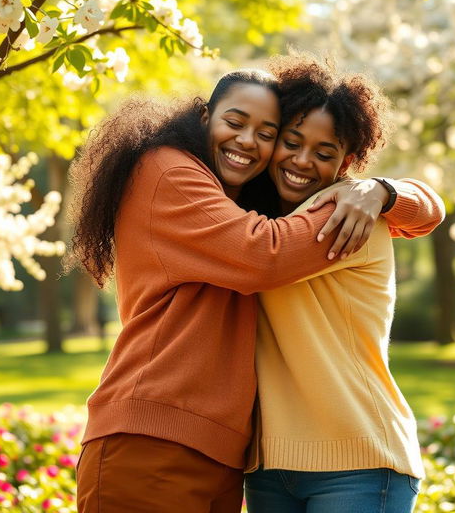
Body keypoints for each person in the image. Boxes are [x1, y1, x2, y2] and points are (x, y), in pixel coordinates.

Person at [69, 68, 413, 513]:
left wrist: (384, 192)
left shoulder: (234, 202)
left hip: (223, 457)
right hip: (151, 435)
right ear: (204, 116)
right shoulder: (169, 170)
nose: (248, 141)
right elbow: (264, 254)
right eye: (235, 123)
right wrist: (373, 195)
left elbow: (422, 216)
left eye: (266, 133)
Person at [245, 53, 445, 513]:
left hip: (360, 461)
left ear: (347, 161)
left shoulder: (349, 219)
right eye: (290, 142)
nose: (301, 161)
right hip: (269, 466)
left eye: (324, 152)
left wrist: (381, 190)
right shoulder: (258, 217)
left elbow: (430, 208)